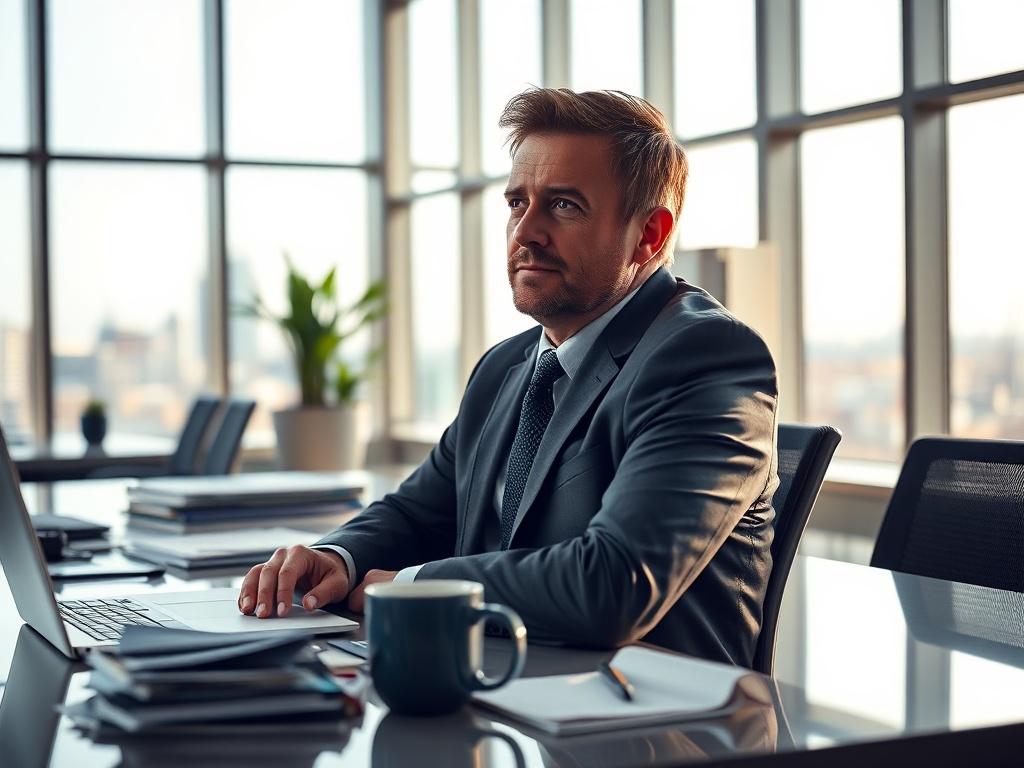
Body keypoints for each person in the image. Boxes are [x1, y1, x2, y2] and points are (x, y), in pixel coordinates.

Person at [238, 88, 779, 667]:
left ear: (648, 235)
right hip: (506, 694)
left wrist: (414, 586)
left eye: (564, 205)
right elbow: (421, 511)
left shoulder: (705, 356)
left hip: (652, 727)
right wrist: (337, 558)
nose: (526, 232)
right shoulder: (507, 367)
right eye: (518, 203)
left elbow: (615, 583)